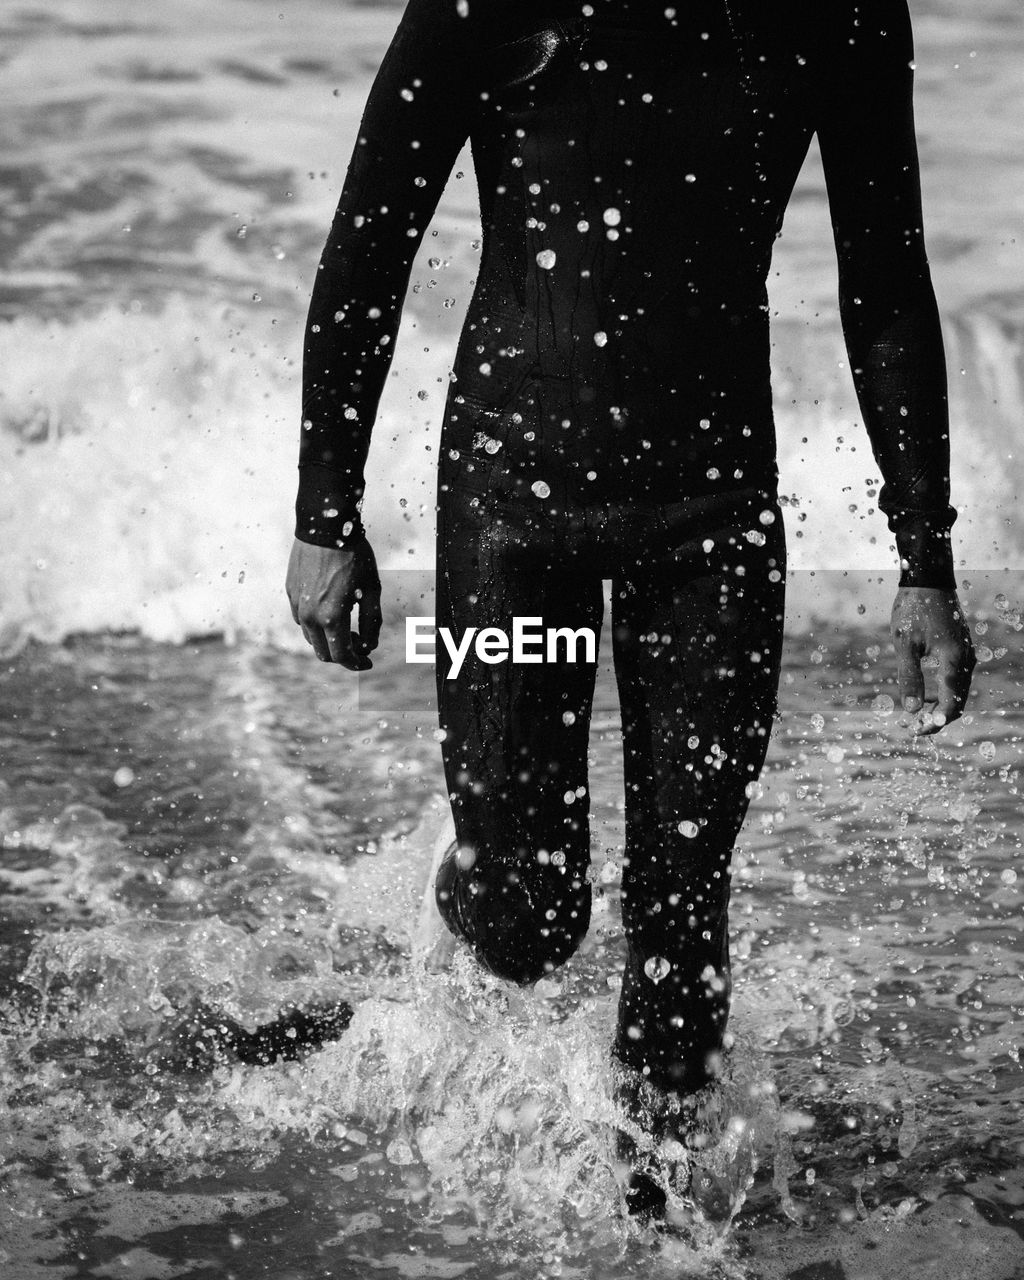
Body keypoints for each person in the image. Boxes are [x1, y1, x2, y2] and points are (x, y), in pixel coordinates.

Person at [284, 0, 976, 1221]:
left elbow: (883, 268)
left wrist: (925, 554)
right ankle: (466, 885)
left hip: (713, 522)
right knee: (526, 915)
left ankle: (653, 1228)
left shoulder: (844, 9)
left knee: (682, 904)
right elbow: (367, 246)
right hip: (510, 511)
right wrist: (324, 511)